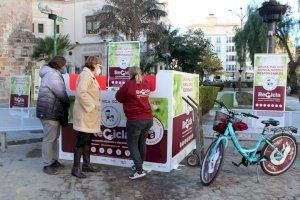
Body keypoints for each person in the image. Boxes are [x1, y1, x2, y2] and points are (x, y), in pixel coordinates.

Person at [116, 67, 153, 180]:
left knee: (132, 144)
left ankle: (139, 170)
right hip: (148, 118)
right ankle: (140, 166)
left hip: (135, 120)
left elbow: (118, 97)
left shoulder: (128, 84)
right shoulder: (146, 82)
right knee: (142, 142)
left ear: (129, 74)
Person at [36, 56, 70, 175]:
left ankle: (54, 161)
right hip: (49, 111)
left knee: (54, 138)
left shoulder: (50, 73)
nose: (65, 67)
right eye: (64, 65)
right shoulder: (53, 75)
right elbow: (60, 93)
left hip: (51, 111)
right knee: (49, 139)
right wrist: (68, 101)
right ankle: (47, 164)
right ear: (58, 66)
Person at [72, 56, 102, 178]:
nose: (99, 68)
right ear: (94, 65)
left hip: (89, 115)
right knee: (81, 141)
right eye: (98, 66)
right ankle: (75, 168)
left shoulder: (90, 75)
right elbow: (81, 92)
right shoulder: (86, 75)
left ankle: (86, 164)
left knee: (88, 140)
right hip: (85, 113)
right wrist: (91, 106)